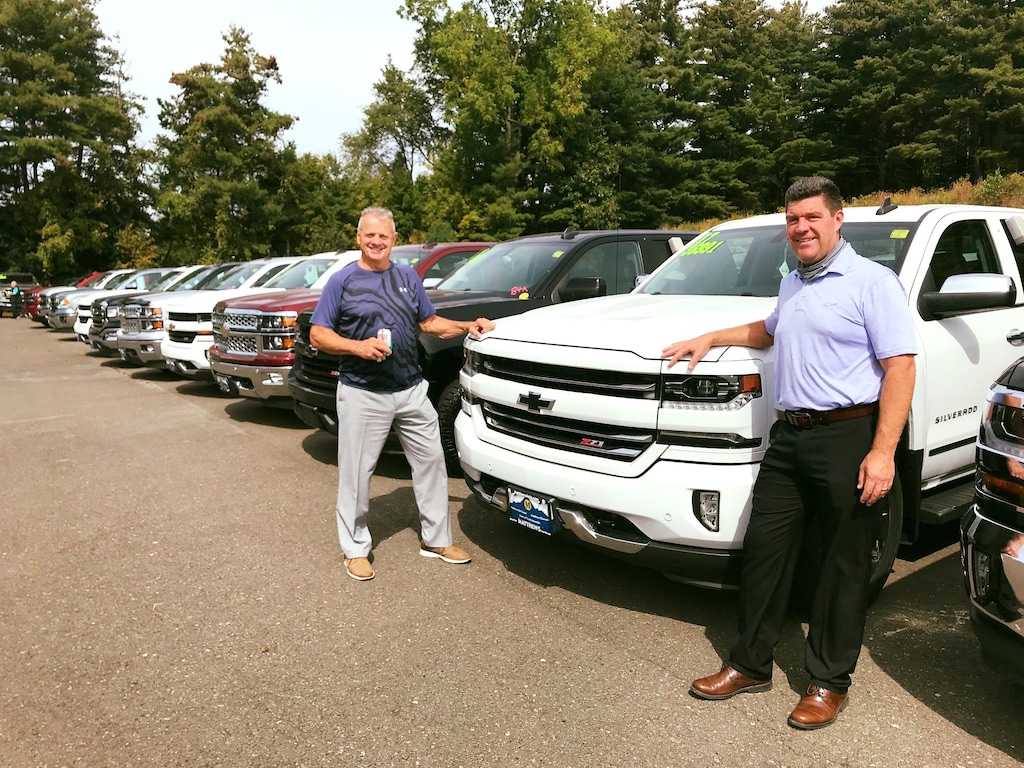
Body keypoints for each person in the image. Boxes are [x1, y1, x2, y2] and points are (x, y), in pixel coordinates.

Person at [663, 176, 917, 729]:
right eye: (793, 219)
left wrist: (882, 453)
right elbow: (769, 330)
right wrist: (711, 337)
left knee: (841, 565)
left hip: (849, 434)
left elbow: (901, 365)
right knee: (765, 551)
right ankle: (750, 664)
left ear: (837, 219)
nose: (800, 227)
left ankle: (828, 681)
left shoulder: (873, 283)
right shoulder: (795, 283)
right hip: (791, 436)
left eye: (812, 217)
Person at [309, 207, 496, 582]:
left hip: (411, 390)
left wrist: (466, 326)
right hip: (363, 393)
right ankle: (355, 549)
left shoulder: (407, 277)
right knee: (356, 474)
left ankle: (436, 540)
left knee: (432, 463)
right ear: (358, 237)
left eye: (384, 236)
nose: (376, 242)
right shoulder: (342, 282)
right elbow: (318, 334)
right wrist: (357, 348)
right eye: (369, 235)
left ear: (394, 239)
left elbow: (429, 323)